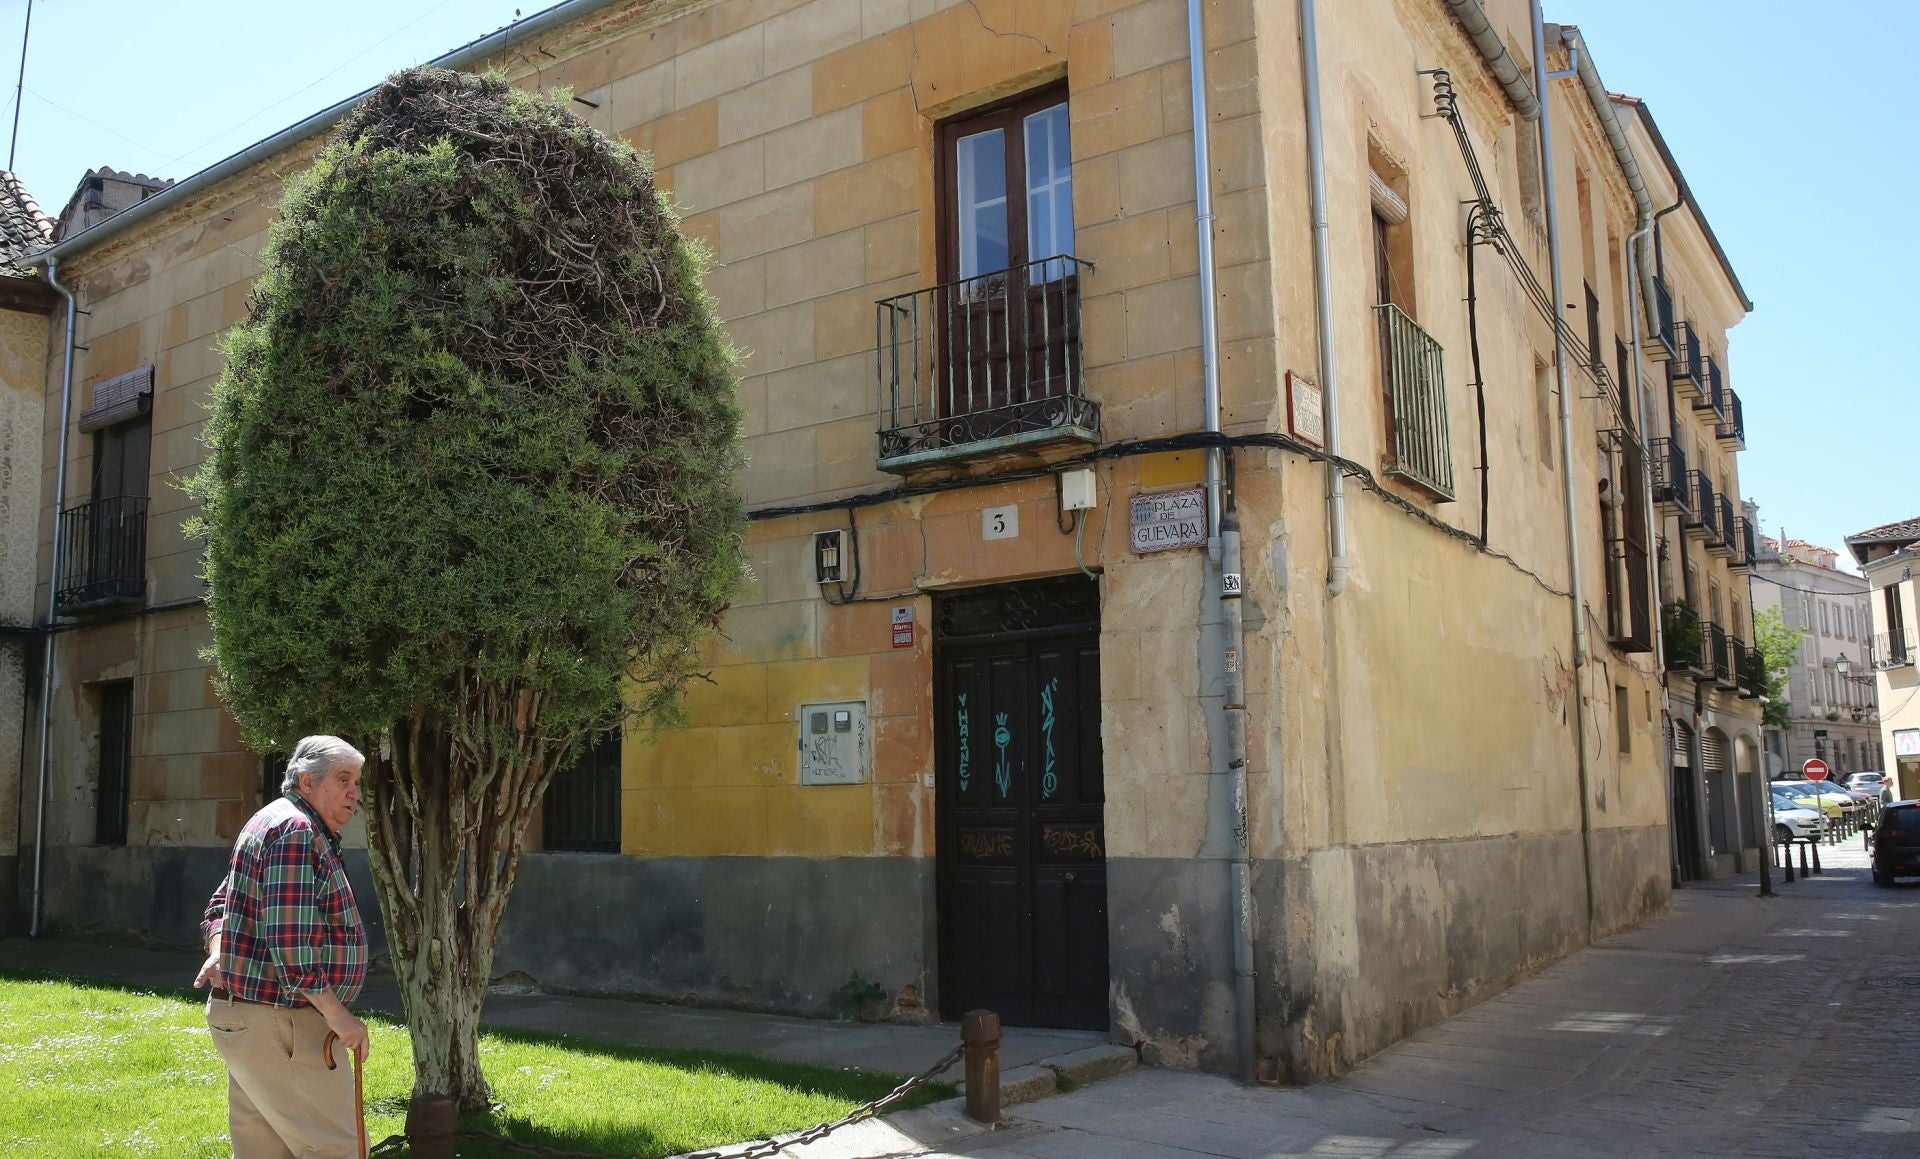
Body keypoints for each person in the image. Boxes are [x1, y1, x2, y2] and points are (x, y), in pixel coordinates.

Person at [196, 735, 372, 1159]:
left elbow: (222, 904)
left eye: (357, 781)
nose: (355, 792)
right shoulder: (296, 829)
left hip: (253, 1021)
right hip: (282, 1024)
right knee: (339, 1150)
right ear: (307, 782)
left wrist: (220, 949)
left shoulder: (272, 820)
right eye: (343, 779)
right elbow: (292, 946)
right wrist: (340, 1017)